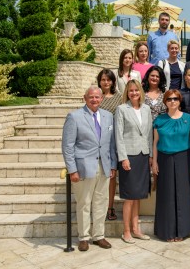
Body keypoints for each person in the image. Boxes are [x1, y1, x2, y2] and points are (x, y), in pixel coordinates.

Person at [62, 86, 117, 252]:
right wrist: (72, 170)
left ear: (102, 99)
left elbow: (111, 144)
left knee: (101, 202)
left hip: (104, 166)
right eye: (91, 97)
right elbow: (67, 146)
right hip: (84, 167)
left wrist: (113, 164)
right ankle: (83, 237)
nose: (94, 100)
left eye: (97, 97)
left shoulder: (108, 116)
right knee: (84, 203)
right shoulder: (74, 116)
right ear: (85, 98)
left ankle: (98, 236)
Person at [152, 90, 190, 242]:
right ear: (165, 101)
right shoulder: (159, 119)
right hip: (164, 159)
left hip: (184, 158)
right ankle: (168, 232)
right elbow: (155, 143)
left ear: (179, 101)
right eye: (169, 99)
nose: (172, 101)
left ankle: (183, 231)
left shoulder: (188, 118)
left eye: (175, 99)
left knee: (184, 195)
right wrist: (154, 162)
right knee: (166, 196)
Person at [115, 80, 153, 243]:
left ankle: (136, 229)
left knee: (138, 195)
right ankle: (126, 231)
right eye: (130, 91)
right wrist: (123, 158)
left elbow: (150, 133)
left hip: (143, 155)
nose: (134, 93)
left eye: (136, 90)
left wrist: (151, 155)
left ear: (140, 92)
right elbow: (118, 135)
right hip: (129, 156)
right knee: (130, 196)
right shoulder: (121, 109)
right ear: (127, 93)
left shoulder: (146, 109)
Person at [96, 69, 122, 222]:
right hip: (98, 140)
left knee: (112, 175)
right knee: (99, 175)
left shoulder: (119, 97)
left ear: (113, 81)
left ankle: (110, 206)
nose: (106, 82)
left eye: (109, 80)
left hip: (114, 140)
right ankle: (99, 206)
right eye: (103, 79)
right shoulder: (96, 97)